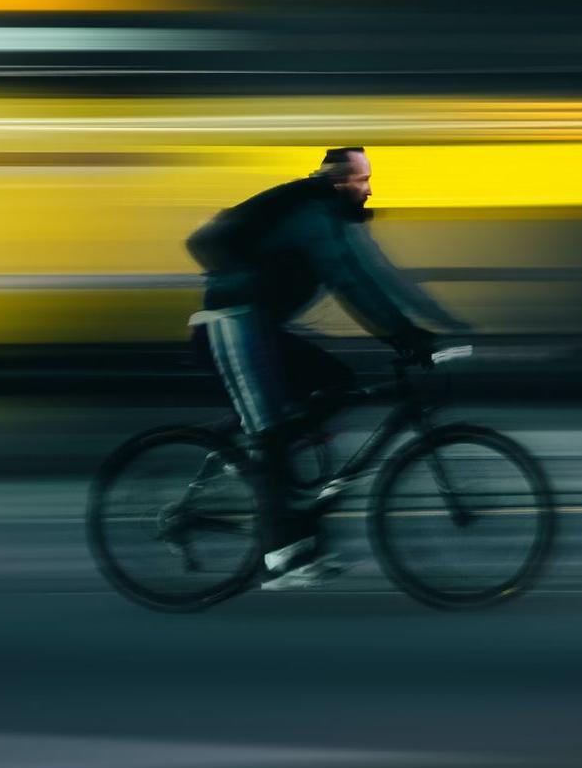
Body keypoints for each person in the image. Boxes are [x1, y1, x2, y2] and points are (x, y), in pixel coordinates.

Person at [186, 147, 463, 589]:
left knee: (336, 381)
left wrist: (441, 328)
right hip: (231, 324)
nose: (368, 188)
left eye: (368, 179)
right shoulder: (312, 214)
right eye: (360, 179)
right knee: (272, 435)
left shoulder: (332, 218)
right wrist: (407, 338)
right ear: (337, 179)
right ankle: (282, 557)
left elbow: (380, 277)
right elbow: (349, 283)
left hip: (259, 329)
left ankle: (253, 458)